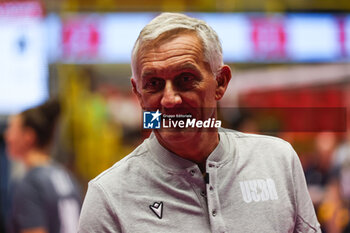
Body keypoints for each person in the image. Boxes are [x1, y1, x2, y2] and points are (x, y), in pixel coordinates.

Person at [78, 13, 321, 232]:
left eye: (186, 79)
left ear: (221, 82)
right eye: (153, 84)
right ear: (138, 93)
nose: (170, 100)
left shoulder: (277, 161)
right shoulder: (109, 195)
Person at [5, 99, 81, 233]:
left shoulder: (30, 184)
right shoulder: (66, 176)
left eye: (11, 129)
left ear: (28, 137)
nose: (6, 135)